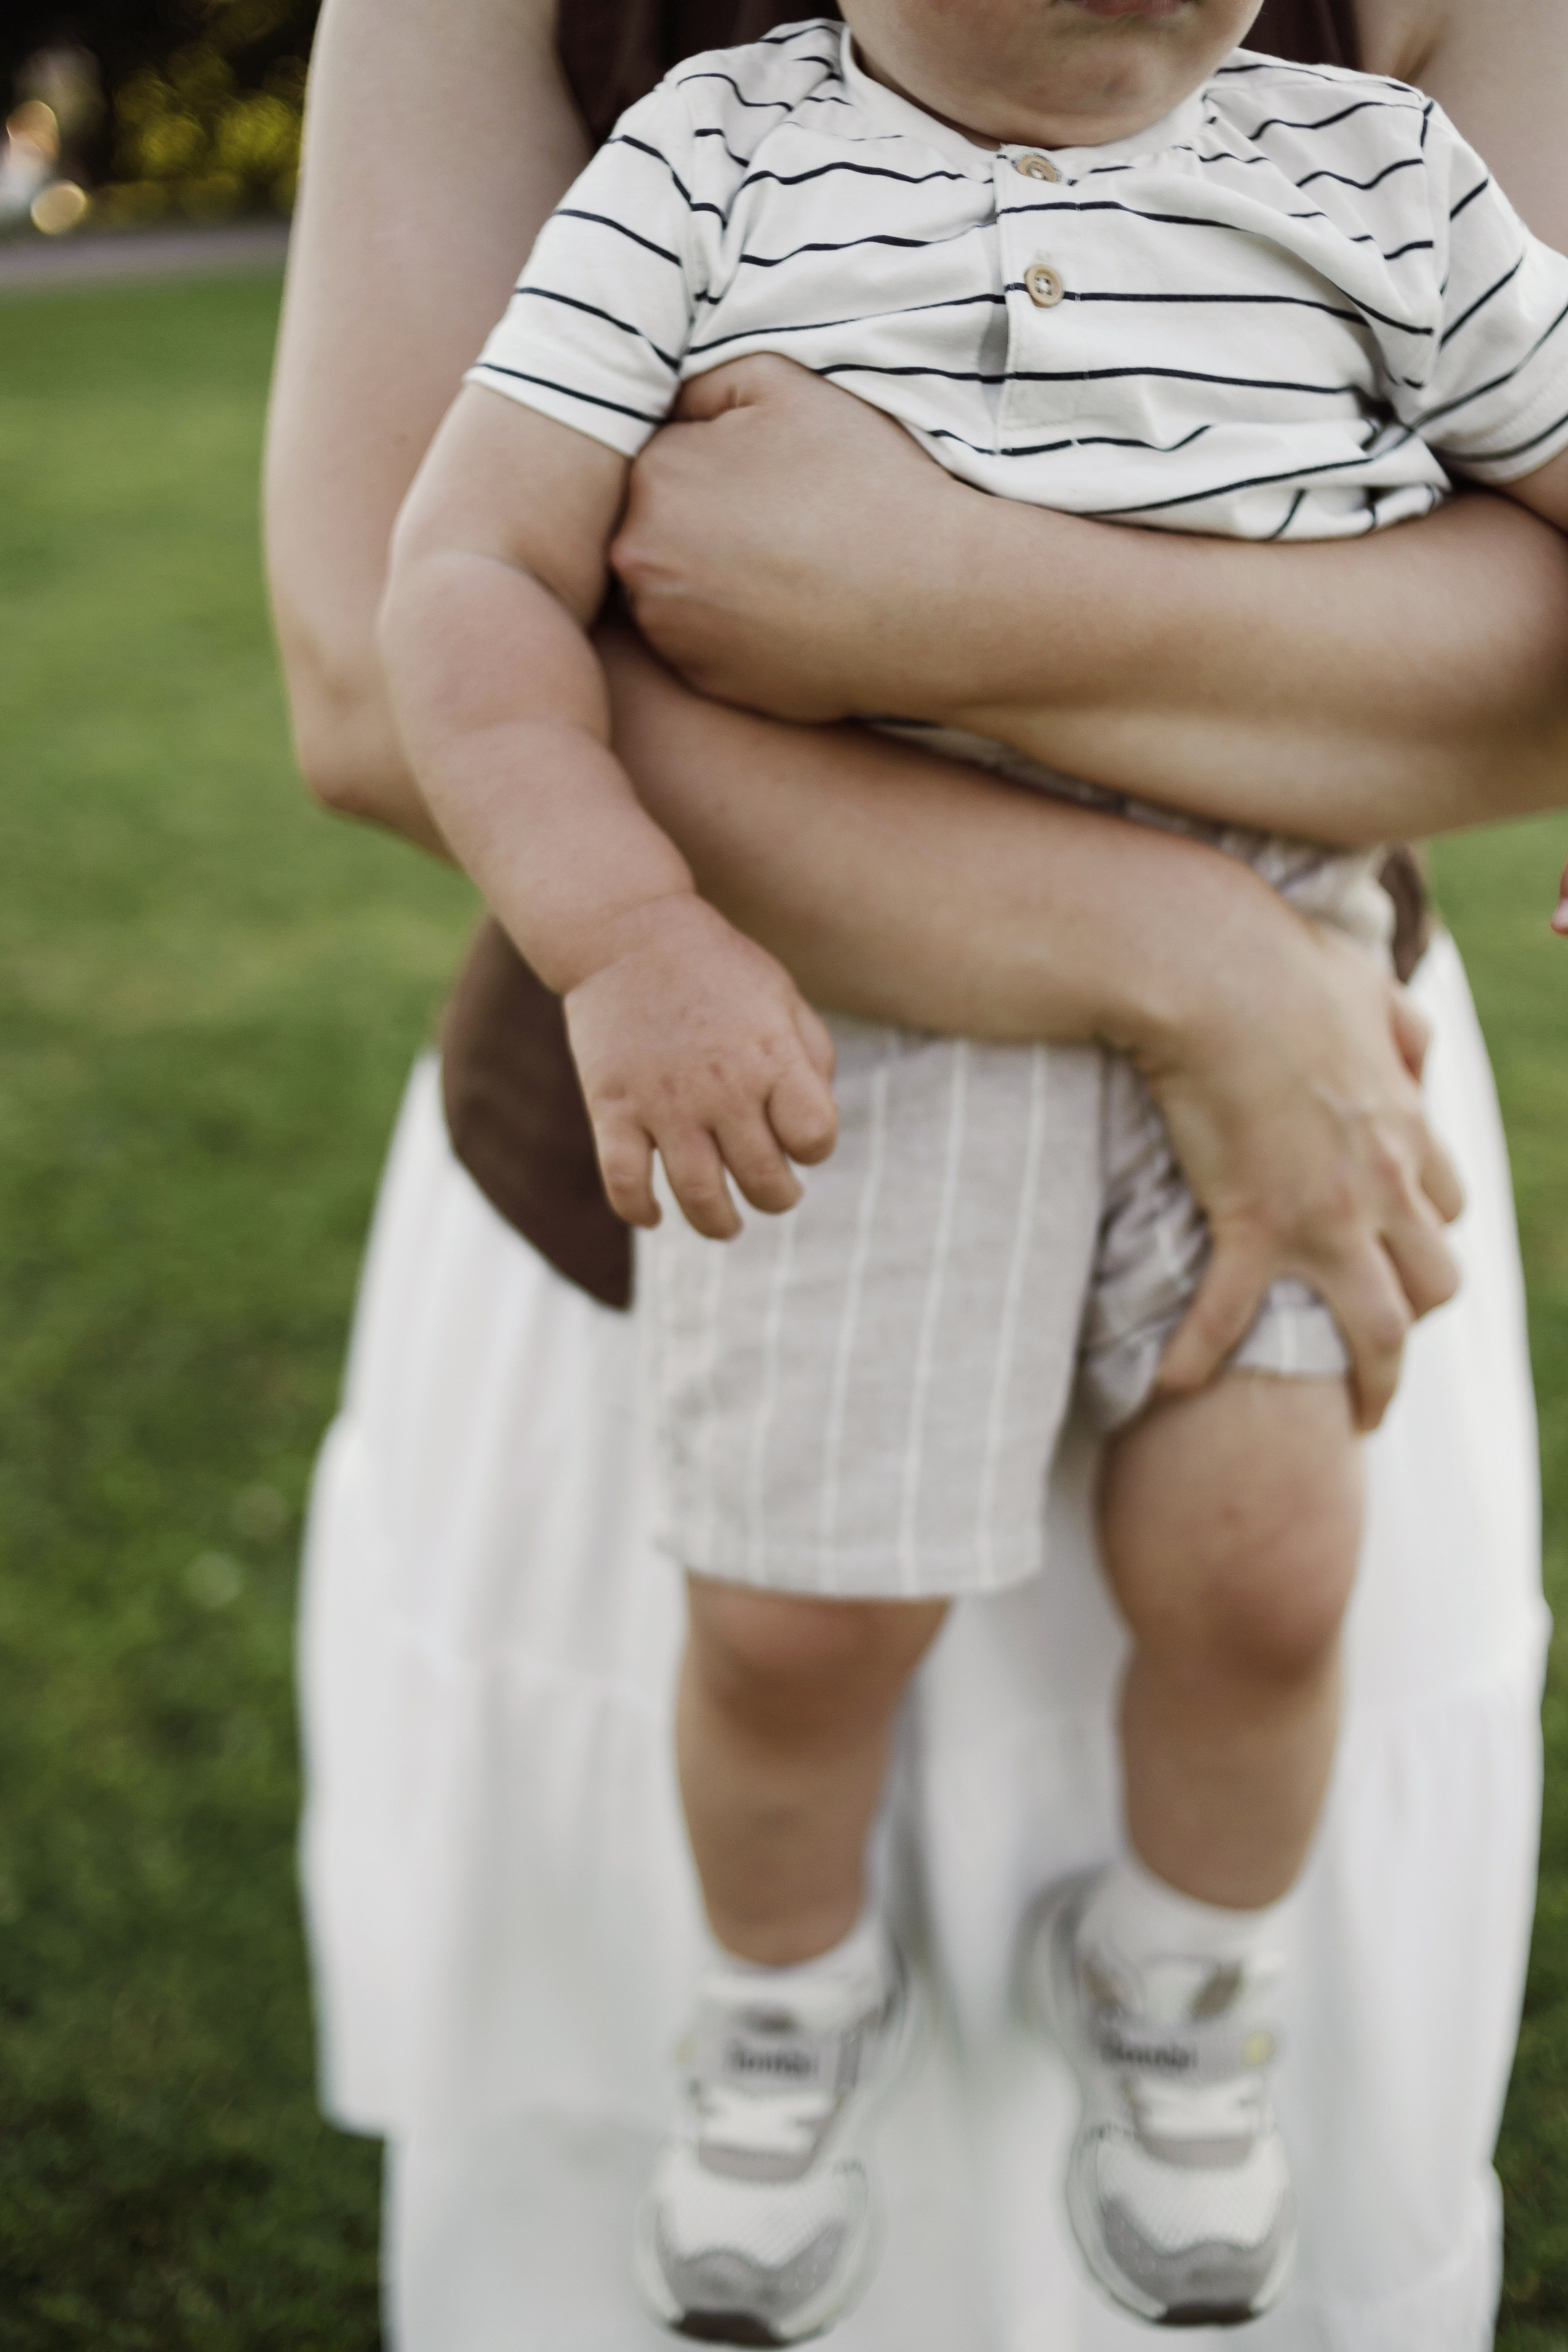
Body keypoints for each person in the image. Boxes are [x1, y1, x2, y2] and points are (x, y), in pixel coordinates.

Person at [265, 1, 1568, 2345]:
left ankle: (1185, 1989)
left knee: (1274, 1575)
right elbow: (427, 604)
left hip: (1305, 1054)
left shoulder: (1375, 173)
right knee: (794, 1622)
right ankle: (780, 2017)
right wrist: (633, 931)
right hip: (817, 1032)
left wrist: (945, 597)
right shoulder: (719, 156)